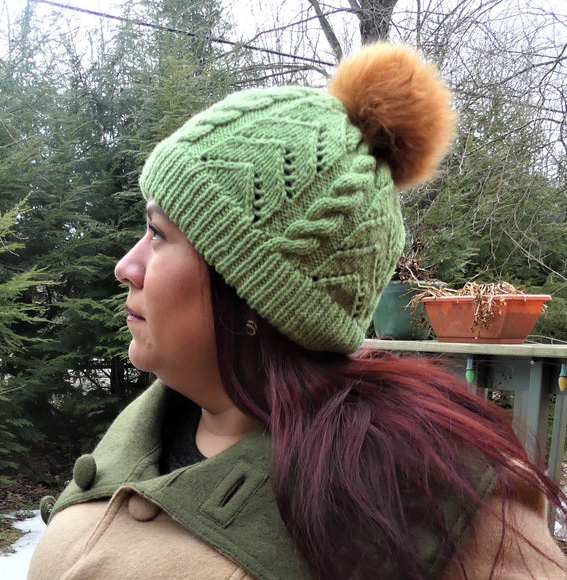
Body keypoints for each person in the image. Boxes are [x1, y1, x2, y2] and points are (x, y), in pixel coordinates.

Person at [28, 43, 567, 579]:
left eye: (157, 234)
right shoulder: (148, 428)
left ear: (253, 293)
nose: (126, 266)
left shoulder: (427, 499)